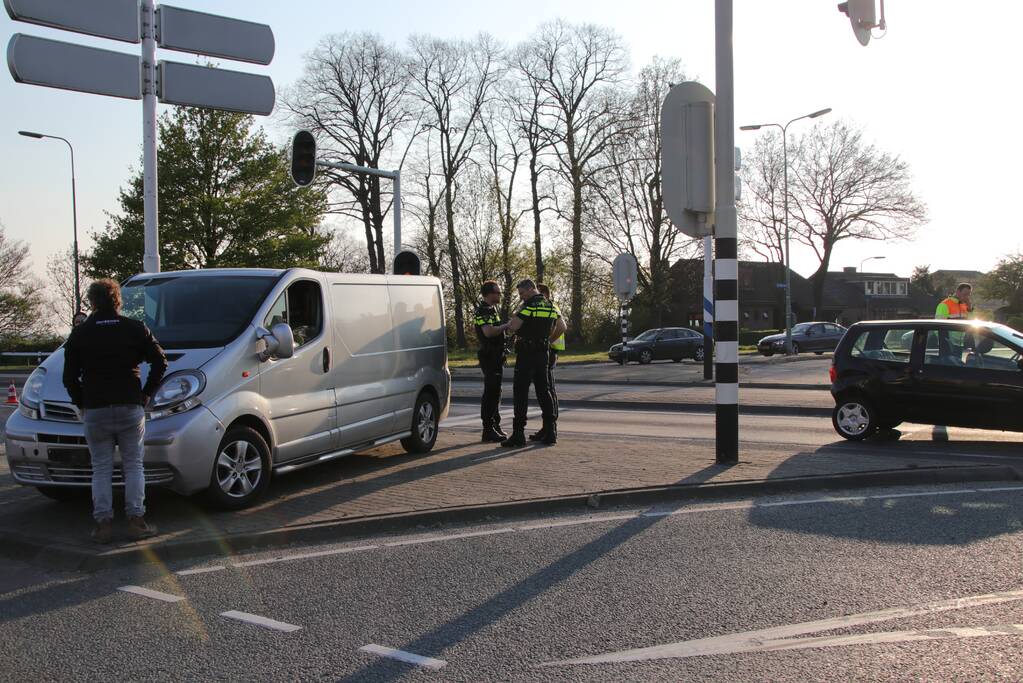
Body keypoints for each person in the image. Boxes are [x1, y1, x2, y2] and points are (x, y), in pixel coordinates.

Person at [63, 279, 168, 544]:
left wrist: (81, 401)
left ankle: (103, 525)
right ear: (117, 300)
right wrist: (146, 392)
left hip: (96, 406)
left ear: (92, 302)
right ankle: (136, 520)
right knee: (133, 464)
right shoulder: (134, 328)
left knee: (101, 468)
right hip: (129, 404)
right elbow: (160, 361)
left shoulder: (81, 334)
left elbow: (69, 377)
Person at [500, 279, 567, 447]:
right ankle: (551, 432)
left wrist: (513, 319)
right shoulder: (551, 305)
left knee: (521, 392)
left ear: (530, 289)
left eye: (522, 293)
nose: (521, 297)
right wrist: (548, 340)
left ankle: (518, 434)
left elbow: (513, 327)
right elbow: (562, 326)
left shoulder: (528, 306)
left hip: (526, 353)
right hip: (543, 353)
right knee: (544, 392)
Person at [473, 281, 508, 442]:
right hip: (490, 356)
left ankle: (495, 425)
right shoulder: (483, 311)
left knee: (496, 392)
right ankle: (488, 429)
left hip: (496, 356)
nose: (500, 295)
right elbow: (488, 332)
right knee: (491, 392)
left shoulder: (492, 310)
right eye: (497, 292)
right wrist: (507, 326)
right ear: (489, 294)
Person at [532, 283, 565, 441]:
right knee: (544, 390)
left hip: (549, 352)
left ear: (544, 293)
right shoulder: (547, 308)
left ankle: (551, 428)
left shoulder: (550, 307)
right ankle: (547, 428)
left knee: (548, 391)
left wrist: (548, 341)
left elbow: (561, 326)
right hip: (547, 352)